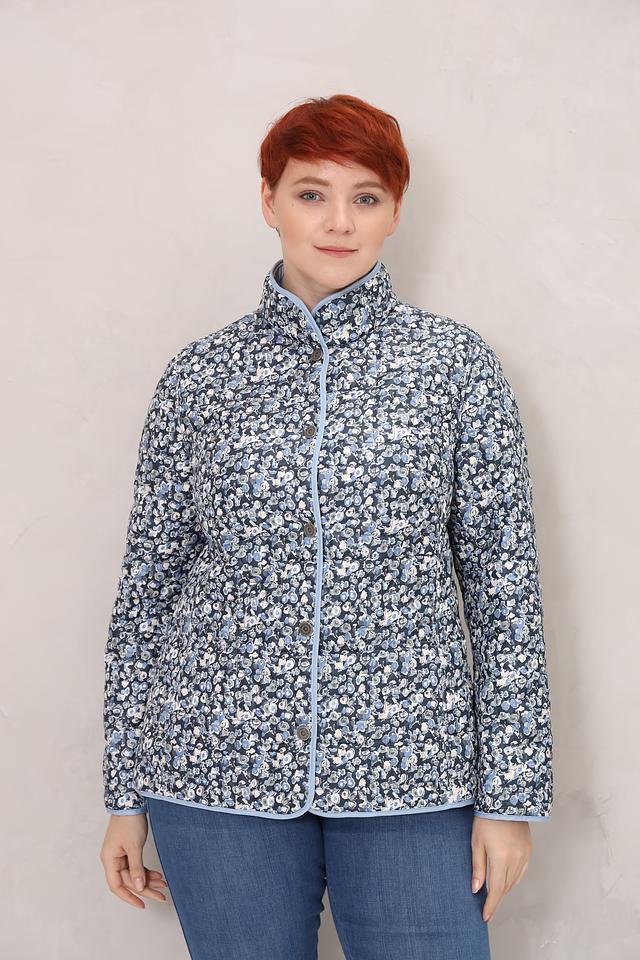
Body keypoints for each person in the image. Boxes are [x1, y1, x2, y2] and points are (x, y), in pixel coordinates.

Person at [99, 93, 553, 959]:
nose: (339, 221)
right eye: (311, 193)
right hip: (212, 765)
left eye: (366, 197)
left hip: (413, 766)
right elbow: (148, 594)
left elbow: (506, 593)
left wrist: (511, 796)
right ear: (268, 201)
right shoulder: (200, 377)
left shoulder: (455, 368)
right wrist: (124, 791)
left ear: (395, 212)